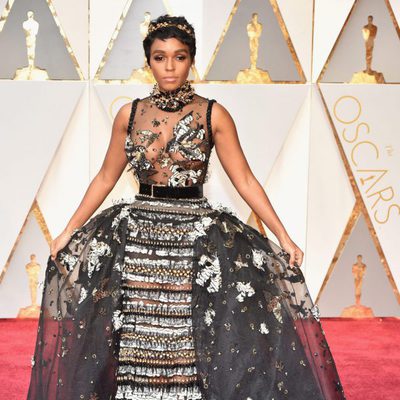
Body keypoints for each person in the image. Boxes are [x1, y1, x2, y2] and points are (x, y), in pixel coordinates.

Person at [27, 14, 346, 400]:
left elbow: (244, 179)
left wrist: (283, 235)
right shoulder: (129, 115)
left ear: (191, 60)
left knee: (185, 335)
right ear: (149, 62)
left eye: (178, 57)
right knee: (138, 331)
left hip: (194, 237)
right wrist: (68, 230)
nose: (169, 66)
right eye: (160, 57)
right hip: (138, 235)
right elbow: (105, 178)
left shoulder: (214, 114)